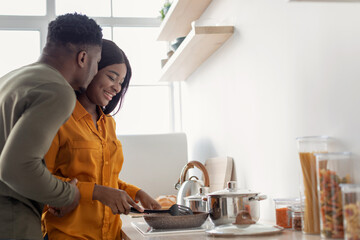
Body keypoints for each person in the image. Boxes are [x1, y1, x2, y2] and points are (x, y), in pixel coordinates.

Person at [42, 39, 161, 239]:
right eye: (112, 77)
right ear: (91, 68)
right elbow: (41, 181)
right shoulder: (60, 119)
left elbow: (105, 179)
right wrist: (94, 192)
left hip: (111, 235)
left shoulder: (109, 125)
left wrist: (137, 193)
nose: (116, 88)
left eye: (121, 83)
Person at [0, 13, 102, 239]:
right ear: (83, 58)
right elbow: (15, 167)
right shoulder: (58, 90)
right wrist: (69, 195)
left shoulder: (11, 79)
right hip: (12, 220)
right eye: (97, 63)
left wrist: (49, 194)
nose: (95, 72)